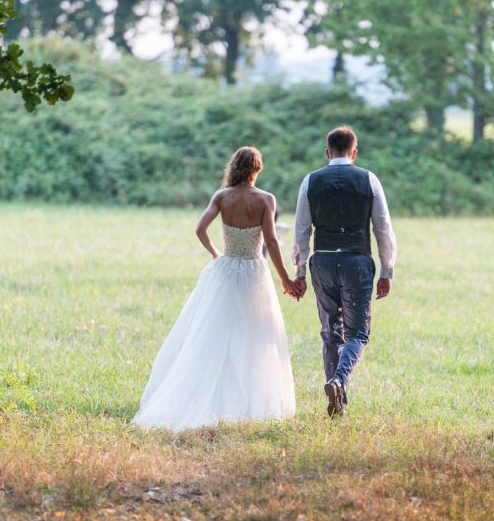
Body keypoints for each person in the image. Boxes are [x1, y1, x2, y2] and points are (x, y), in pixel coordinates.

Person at [132, 147, 300, 430]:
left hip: (225, 270)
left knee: (214, 332)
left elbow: (200, 229)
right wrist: (285, 279)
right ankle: (251, 400)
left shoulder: (221, 197)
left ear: (234, 167)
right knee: (255, 334)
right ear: (257, 169)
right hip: (253, 271)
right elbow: (271, 242)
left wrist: (216, 253)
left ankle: (210, 394)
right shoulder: (266, 200)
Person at [292, 126, 397, 418]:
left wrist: (299, 271)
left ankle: (337, 400)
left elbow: (302, 230)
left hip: (322, 261)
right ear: (354, 152)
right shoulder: (369, 179)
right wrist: (387, 270)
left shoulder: (310, 180)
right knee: (358, 333)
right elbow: (382, 228)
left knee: (330, 332)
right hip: (356, 261)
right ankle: (338, 382)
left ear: (327, 153)